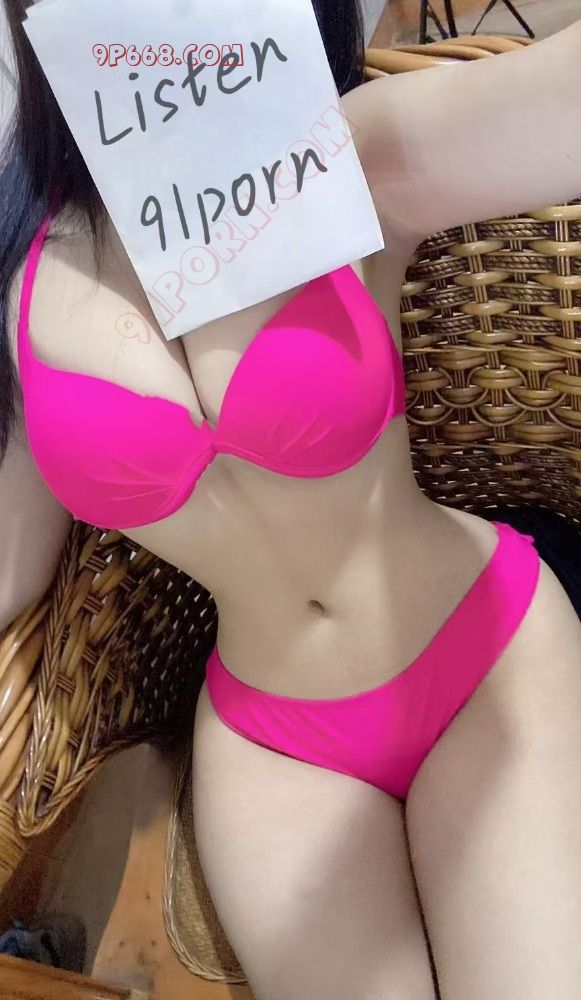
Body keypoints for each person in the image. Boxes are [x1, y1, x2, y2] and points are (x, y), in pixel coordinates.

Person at [1, 1, 580, 997]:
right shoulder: (17, 274)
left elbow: (557, 108)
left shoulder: (331, 152)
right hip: (276, 745)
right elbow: (11, 569)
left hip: (478, 650)